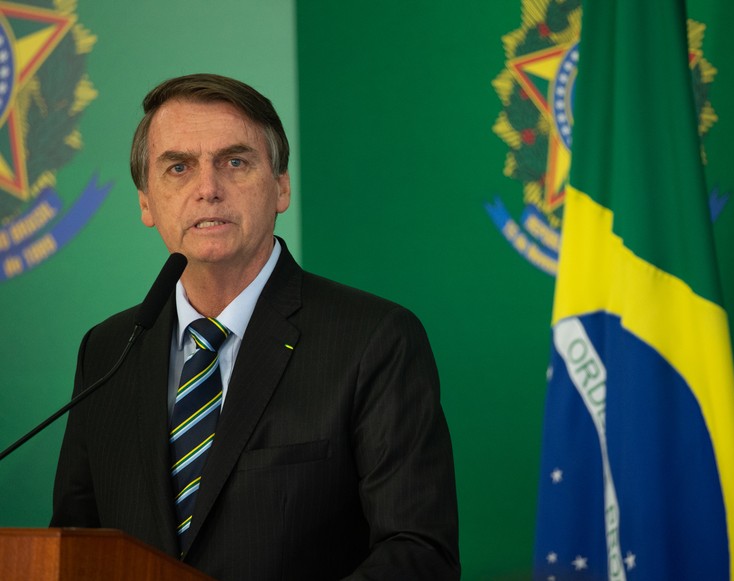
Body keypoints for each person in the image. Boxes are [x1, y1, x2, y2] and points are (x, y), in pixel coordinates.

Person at [51, 73, 460, 580]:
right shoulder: (109, 351)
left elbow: (418, 550)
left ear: (281, 187)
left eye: (235, 162)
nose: (208, 189)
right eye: (178, 167)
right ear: (145, 202)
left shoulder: (374, 339)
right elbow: (72, 548)